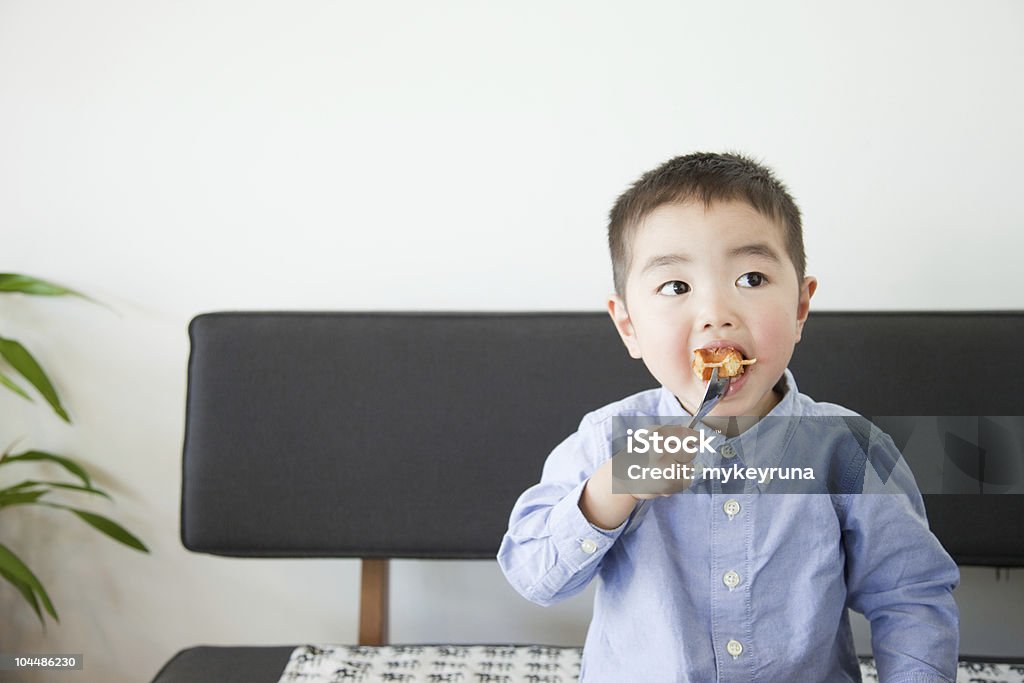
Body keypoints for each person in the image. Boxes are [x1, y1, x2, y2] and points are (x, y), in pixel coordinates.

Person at [497, 152, 959, 682]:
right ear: (628, 324)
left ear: (801, 307)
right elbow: (534, 577)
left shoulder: (847, 448)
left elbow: (910, 597)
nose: (717, 311)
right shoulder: (606, 442)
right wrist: (610, 491)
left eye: (752, 278)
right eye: (676, 287)